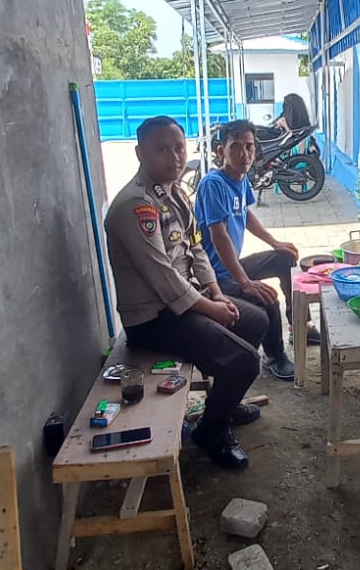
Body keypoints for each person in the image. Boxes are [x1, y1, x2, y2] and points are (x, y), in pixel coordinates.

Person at [104, 115, 270, 471]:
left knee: (255, 319)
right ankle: (212, 433)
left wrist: (216, 293)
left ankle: (225, 403)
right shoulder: (135, 205)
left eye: (179, 147)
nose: (175, 157)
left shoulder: (174, 192)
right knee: (244, 361)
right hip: (153, 318)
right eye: (162, 149)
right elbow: (163, 277)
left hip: (184, 302)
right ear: (140, 153)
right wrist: (212, 308)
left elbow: (196, 248)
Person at [194, 120, 317, 382]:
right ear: (221, 151)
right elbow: (219, 237)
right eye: (235, 147)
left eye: (249, 146)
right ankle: (274, 356)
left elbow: (246, 214)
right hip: (215, 277)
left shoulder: (240, 179)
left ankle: (300, 325)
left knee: (285, 258)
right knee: (267, 298)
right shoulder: (213, 184)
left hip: (233, 266)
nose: (244, 154)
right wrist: (245, 283)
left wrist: (275, 243)